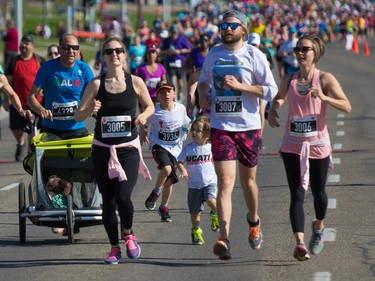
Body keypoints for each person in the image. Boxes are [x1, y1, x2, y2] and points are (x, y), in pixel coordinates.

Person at [198, 10, 278, 260]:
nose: (228, 29)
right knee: (224, 181)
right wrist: (201, 92)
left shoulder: (254, 55)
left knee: (248, 183)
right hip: (221, 126)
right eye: (224, 25)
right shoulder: (214, 53)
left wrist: (241, 86)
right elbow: (203, 80)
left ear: (243, 29)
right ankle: (224, 237)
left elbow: (270, 90)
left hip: (248, 127)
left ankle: (253, 221)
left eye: (233, 25)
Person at [267, 35, 351, 261]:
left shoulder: (324, 78)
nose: (301, 53)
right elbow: (280, 97)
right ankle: (300, 243)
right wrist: (273, 109)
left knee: (319, 193)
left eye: (306, 49)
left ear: (316, 53)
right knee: (296, 193)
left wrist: (324, 96)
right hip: (292, 143)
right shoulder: (289, 78)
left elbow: (346, 106)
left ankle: (319, 225)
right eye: (298, 49)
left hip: (317, 144)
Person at [74, 37, 155, 264]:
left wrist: (143, 116)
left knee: (123, 196)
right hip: (102, 150)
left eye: (118, 50)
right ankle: (114, 247)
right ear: (104, 57)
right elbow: (78, 115)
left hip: (127, 148)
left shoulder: (136, 82)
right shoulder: (96, 85)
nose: (114, 54)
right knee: (108, 201)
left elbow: (150, 105)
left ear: (124, 55)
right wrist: (89, 109)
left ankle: (128, 233)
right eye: (109, 51)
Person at [27, 34, 94, 140]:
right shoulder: (47, 68)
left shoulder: (84, 69)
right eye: (67, 47)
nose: (71, 51)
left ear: (78, 50)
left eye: (75, 48)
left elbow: (95, 95)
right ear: (59, 49)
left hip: (76, 128)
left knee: (90, 152)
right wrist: (41, 110)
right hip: (51, 128)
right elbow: (31, 98)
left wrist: (89, 108)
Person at [142, 80, 190, 222]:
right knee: (167, 169)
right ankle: (156, 191)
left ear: (174, 93)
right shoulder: (154, 111)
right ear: (157, 95)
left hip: (175, 149)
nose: (166, 94)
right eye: (162, 92)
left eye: (169, 91)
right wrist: (143, 132)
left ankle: (164, 208)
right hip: (159, 146)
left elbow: (186, 123)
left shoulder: (180, 108)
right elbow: (144, 122)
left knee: (169, 182)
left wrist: (185, 130)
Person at [177, 115, 219, 245]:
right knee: (195, 213)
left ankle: (215, 215)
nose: (194, 132)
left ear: (207, 133)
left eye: (198, 130)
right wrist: (183, 171)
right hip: (194, 185)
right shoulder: (189, 148)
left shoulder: (212, 147)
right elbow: (179, 161)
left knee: (212, 201)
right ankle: (196, 231)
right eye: (193, 129)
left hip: (210, 182)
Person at [3, 34, 45, 160]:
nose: (24, 46)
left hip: (35, 103)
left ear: (32, 46)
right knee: (16, 129)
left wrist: (44, 91)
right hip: (18, 103)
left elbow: (46, 78)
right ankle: (20, 143)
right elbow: (7, 83)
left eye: (27, 43)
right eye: (22, 43)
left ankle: (30, 155)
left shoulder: (39, 60)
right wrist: (6, 100)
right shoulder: (14, 61)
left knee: (33, 130)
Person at [160, 24, 191, 102]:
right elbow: (161, 51)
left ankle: (180, 93)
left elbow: (188, 49)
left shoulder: (182, 39)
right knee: (173, 79)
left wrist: (179, 51)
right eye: (172, 32)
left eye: (175, 32)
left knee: (180, 81)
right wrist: (167, 52)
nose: (173, 34)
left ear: (177, 32)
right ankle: (175, 97)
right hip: (170, 62)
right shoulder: (167, 40)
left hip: (179, 62)